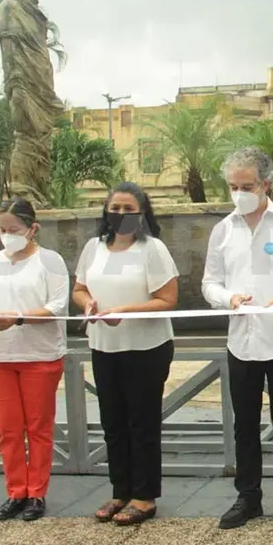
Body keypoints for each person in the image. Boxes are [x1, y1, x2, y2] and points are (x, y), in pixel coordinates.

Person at [202, 147, 273, 531]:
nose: (239, 193)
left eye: (246, 185)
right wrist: (226, 299)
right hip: (241, 339)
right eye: (233, 187)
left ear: (266, 184)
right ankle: (248, 497)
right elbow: (210, 283)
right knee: (244, 423)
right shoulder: (223, 230)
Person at [72, 182, 178, 526]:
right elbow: (79, 288)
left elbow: (167, 299)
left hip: (146, 348)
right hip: (104, 345)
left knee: (141, 422)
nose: (120, 215)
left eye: (128, 209)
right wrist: (87, 303)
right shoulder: (94, 248)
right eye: (114, 208)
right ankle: (120, 490)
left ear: (142, 213)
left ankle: (144, 496)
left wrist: (126, 310)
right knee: (113, 422)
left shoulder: (153, 249)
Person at [0, 198, 69, 521]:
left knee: (38, 427)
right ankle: (16, 491)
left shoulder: (49, 261)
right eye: (2, 229)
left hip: (38, 354)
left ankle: (37, 493)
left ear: (32, 229)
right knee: (8, 428)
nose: (7, 235)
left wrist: (19, 318)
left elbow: (56, 307)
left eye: (14, 229)